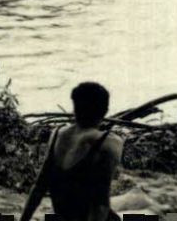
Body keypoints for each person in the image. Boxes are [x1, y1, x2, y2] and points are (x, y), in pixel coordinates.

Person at [21, 82, 125, 221]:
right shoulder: (108, 143)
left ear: (75, 107)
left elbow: (39, 187)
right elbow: (100, 203)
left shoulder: (57, 134)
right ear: (104, 111)